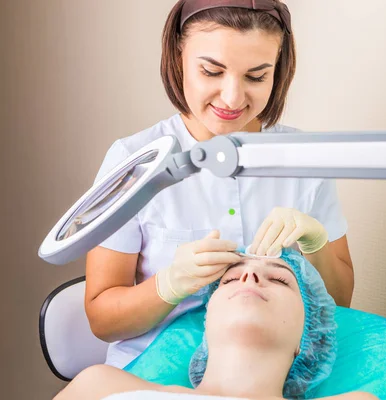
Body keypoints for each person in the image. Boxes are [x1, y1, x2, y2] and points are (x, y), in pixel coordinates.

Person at [85, 0, 355, 370]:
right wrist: (167, 285)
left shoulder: (303, 160)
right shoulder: (134, 161)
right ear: (178, 56)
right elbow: (102, 320)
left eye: (256, 77)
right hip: (156, 374)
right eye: (212, 71)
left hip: (271, 373)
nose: (232, 98)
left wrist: (316, 243)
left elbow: (340, 302)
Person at [56, 250, 374, 400]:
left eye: (279, 279)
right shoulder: (99, 386)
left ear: (307, 339)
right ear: (206, 322)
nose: (250, 277)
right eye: (231, 278)